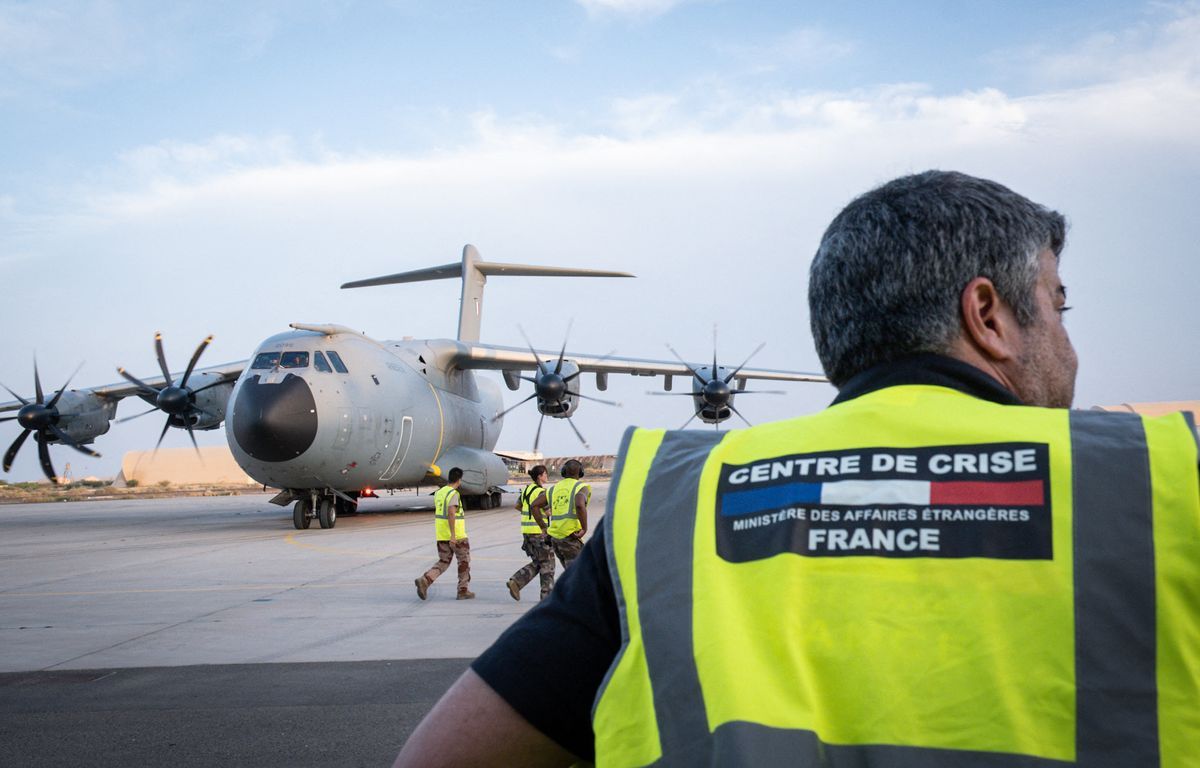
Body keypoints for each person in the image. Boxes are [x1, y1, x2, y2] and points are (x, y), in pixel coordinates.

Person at [395, 171, 1200, 767]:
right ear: (988, 315)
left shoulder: (672, 507)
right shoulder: (1159, 483)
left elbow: (442, 758)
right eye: (1058, 305)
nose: (1070, 342)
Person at [413, 467, 474, 600]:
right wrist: (453, 535)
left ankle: (426, 579)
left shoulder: (439, 493)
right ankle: (463, 590)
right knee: (464, 562)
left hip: (441, 535)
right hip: (456, 536)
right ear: (459, 480)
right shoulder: (453, 494)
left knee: (444, 561)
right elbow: (451, 513)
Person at [506, 464, 555, 601]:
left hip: (527, 532)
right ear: (540, 476)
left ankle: (516, 581)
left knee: (539, 562)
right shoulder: (540, 492)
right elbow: (547, 511)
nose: (547, 476)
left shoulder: (527, 490)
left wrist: (528, 514)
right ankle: (547, 597)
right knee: (548, 564)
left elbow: (517, 506)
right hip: (538, 532)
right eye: (545, 474)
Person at [541, 459, 590, 568]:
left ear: (563, 471)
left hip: (556, 539)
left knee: (571, 573)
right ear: (581, 472)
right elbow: (579, 505)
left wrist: (543, 528)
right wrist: (584, 528)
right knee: (577, 576)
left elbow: (534, 505)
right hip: (570, 537)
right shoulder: (581, 487)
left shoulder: (553, 488)